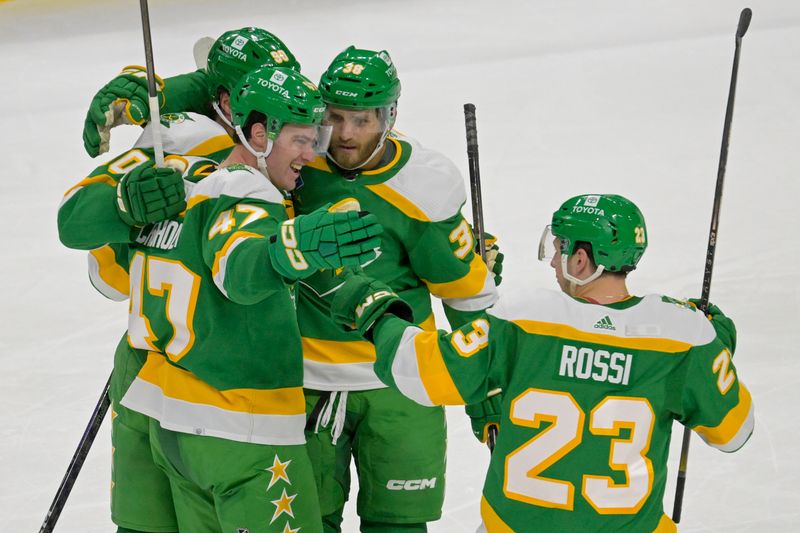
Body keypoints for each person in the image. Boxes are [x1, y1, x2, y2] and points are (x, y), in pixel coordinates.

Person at [329, 193, 753, 532]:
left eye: (559, 249)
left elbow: (418, 371)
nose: (553, 261)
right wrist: (716, 348)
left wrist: (377, 311)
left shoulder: (521, 321)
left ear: (582, 260)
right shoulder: (681, 334)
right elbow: (734, 433)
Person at [115, 65, 381, 533]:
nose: (312, 153)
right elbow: (240, 269)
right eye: (300, 139)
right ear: (259, 134)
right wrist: (292, 250)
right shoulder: (249, 194)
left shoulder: (186, 191)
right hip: (245, 434)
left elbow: (106, 272)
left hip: (175, 429)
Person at [58, 28, 303, 533]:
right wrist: (125, 202)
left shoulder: (222, 133)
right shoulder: (189, 138)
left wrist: (168, 87)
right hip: (189, 362)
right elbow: (75, 220)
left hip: (168, 353)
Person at [292, 46, 501, 533]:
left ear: (389, 115)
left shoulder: (421, 185)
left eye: (361, 120)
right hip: (306, 381)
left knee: (399, 527)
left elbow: (465, 294)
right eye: (336, 117)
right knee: (305, 523)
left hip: (403, 382)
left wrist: (486, 389)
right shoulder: (297, 162)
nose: (345, 134)